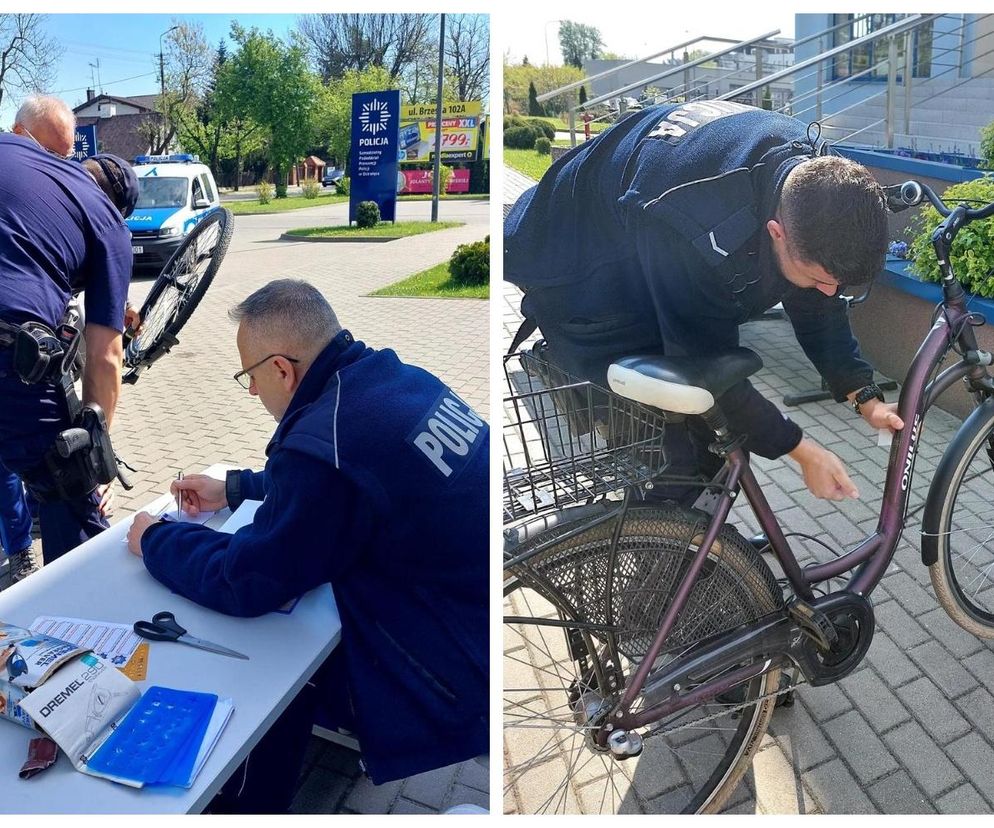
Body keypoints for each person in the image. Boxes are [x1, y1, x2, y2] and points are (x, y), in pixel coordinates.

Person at [126, 279, 489, 812]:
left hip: (455, 667)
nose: (251, 392)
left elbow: (249, 580)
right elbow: (355, 485)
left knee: (282, 671)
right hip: (477, 604)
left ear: (280, 368)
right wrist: (235, 487)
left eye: (249, 376)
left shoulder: (325, 445)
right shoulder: (394, 380)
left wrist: (156, 538)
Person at [504, 100, 904, 504]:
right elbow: (706, 367)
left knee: (715, 438)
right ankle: (670, 550)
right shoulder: (696, 222)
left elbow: (817, 298)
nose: (830, 293)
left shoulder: (815, 182)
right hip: (566, 263)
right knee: (687, 447)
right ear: (776, 232)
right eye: (820, 279)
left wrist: (863, 395)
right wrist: (801, 451)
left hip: (632, 223)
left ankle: (699, 545)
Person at [0, 95, 138, 573]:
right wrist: (91, 456)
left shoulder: (13, 149)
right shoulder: (107, 222)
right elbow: (105, 356)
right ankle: (80, 636)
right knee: (66, 480)